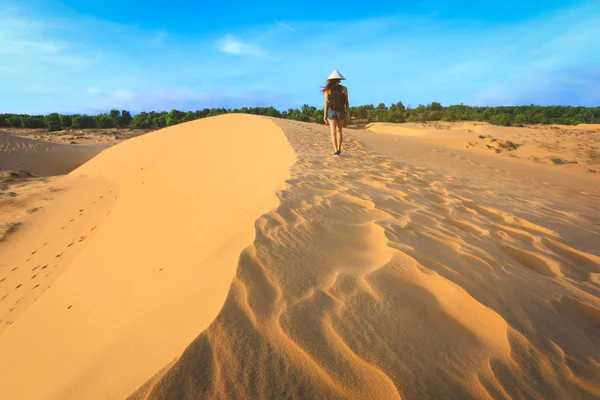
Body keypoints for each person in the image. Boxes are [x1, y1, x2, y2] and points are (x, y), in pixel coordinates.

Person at [321, 69, 350, 157]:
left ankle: (335, 150)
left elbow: (326, 102)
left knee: (332, 132)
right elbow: (346, 102)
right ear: (339, 80)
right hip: (341, 111)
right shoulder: (344, 88)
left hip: (331, 111)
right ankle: (339, 149)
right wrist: (348, 113)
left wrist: (325, 114)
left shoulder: (328, 89)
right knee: (339, 131)